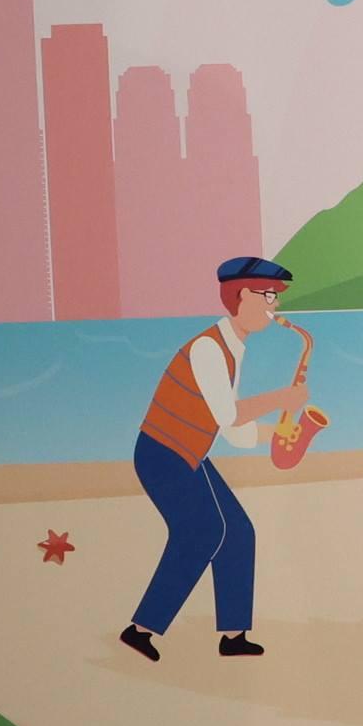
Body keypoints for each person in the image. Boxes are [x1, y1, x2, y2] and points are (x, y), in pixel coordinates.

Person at [118, 257, 310, 661]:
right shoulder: (208, 348)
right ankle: (141, 629)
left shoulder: (233, 348)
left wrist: (276, 434)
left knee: (238, 532)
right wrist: (281, 399)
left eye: (275, 297)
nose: (274, 305)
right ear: (241, 295)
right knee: (202, 533)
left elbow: (232, 432)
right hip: (162, 453)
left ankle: (233, 635)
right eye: (268, 295)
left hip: (187, 453)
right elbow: (228, 415)